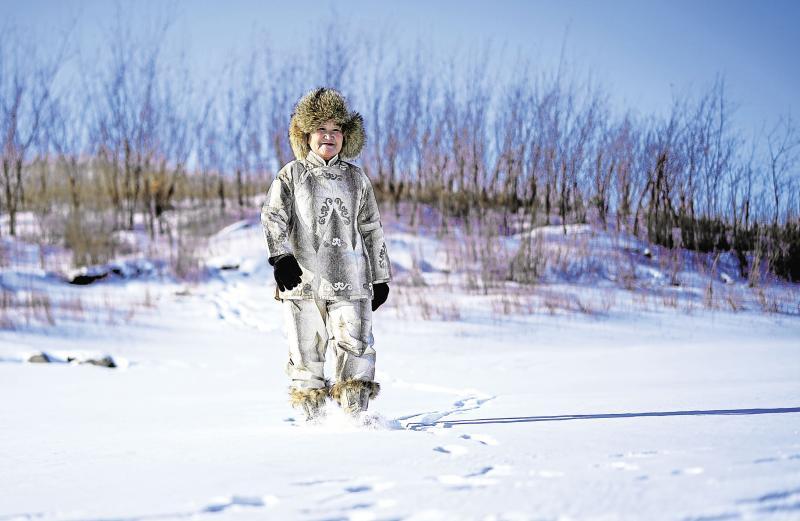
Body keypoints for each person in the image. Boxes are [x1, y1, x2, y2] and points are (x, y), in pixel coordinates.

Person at [260, 87, 392, 422]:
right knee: (305, 354)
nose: (329, 137)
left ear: (346, 136)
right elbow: (273, 216)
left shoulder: (356, 178)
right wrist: (281, 257)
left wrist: (380, 277)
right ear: (306, 134)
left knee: (356, 346)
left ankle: (355, 419)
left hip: (351, 279)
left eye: (336, 130)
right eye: (321, 129)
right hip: (302, 282)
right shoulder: (292, 174)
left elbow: (372, 227)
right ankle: (311, 424)